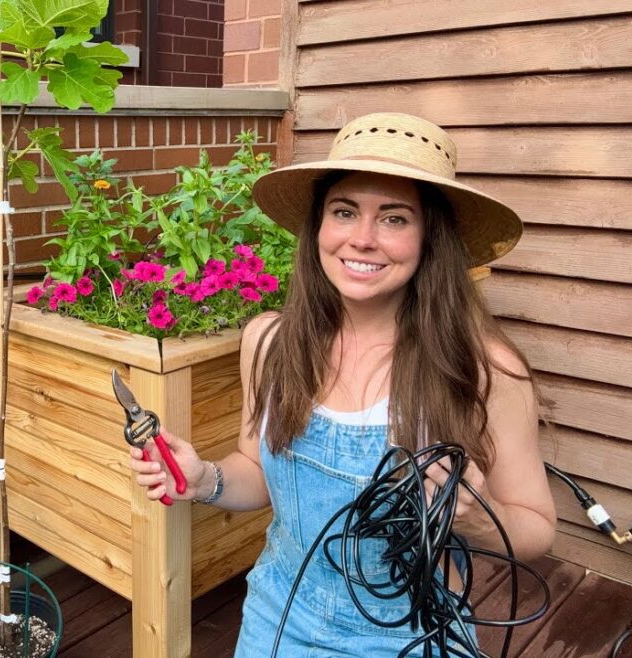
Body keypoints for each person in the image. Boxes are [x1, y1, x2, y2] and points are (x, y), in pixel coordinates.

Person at [128, 113, 557, 656]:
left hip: (416, 632)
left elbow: (538, 530)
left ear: (431, 237)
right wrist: (204, 479)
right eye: (345, 211)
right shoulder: (269, 343)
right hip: (281, 616)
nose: (362, 238)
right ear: (319, 226)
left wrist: (475, 517)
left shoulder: (484, 370)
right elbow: (259, 471)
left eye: (395, 219)